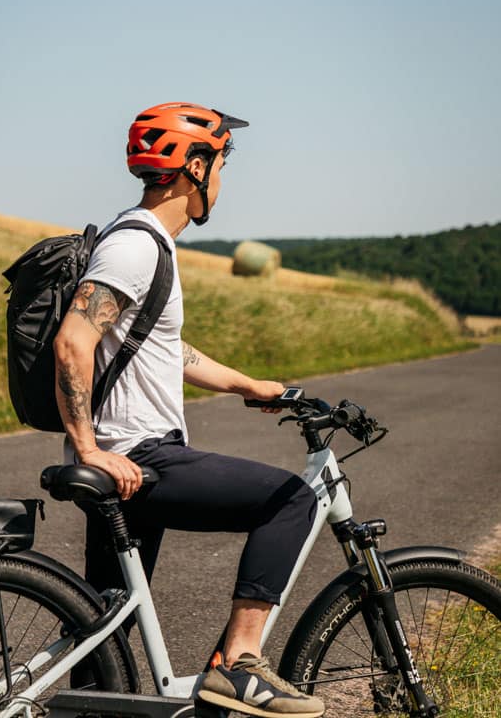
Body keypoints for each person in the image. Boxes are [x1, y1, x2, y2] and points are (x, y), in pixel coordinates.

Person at [54, 102, 324, 717]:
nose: (223, 181)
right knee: (291, 500)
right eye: (221, 164)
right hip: (138, 457)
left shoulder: (148, 247)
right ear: (195, 167)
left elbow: (169, 350)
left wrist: (248, 385)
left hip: (128, 456)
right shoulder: (136, 247)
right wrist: (92, 450)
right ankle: (242, 667)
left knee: (105, 633)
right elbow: (75, 341)